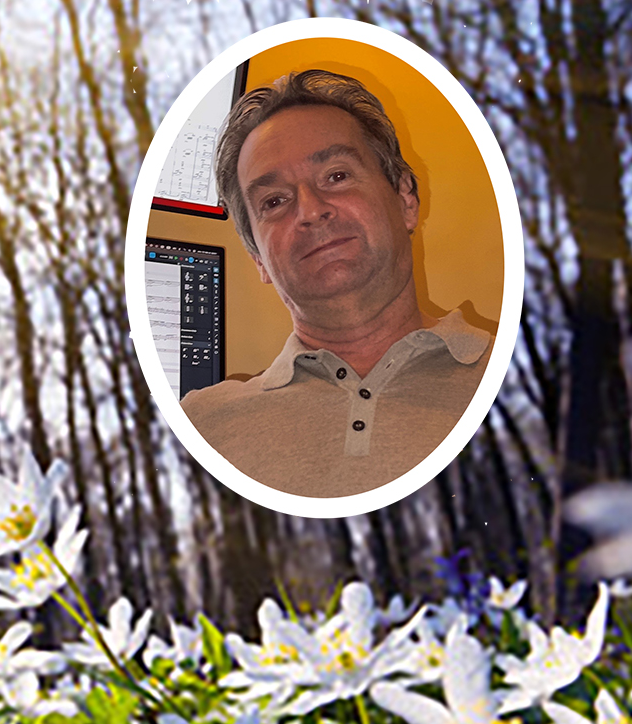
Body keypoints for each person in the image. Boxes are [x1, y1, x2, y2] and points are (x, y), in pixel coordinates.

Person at [179, 69, 491, 497]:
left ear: (405, 201)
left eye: (337, 176)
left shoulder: (527, 377)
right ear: (259, 261)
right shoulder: (196, 428)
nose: (309, 211)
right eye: (274, 201)